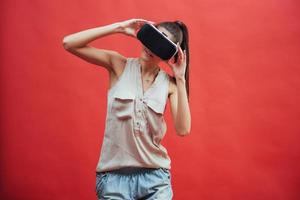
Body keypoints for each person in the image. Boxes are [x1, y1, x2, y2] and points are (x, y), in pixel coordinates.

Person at [62, 18, 191, 200]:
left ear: (170, 53)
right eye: (152, 37)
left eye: (161, 44)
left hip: (155, 178)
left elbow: (183, 129)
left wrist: (180, 79)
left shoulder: (170, 85)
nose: (151, 47)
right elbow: (69, 43)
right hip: (113, 178)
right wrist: (119, 27)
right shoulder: (118, 65)